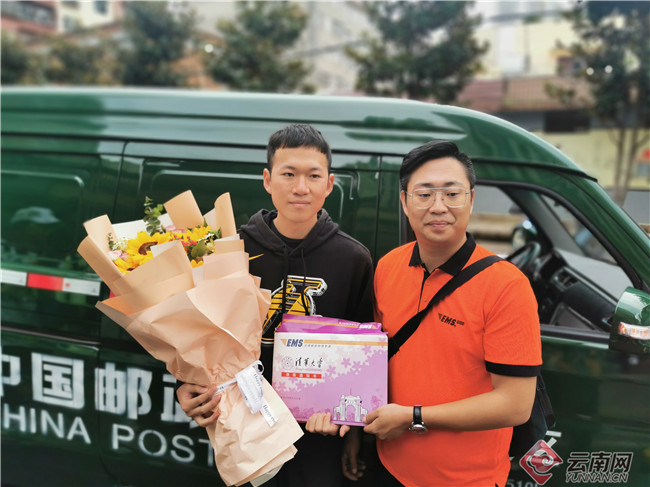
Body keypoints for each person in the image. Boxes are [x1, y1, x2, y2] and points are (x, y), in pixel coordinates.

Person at [176, 123, 373, 486]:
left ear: (329, 184)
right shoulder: (230, 250)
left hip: (319, 435)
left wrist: (353, 430)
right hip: (243, 428)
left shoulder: (353, 259)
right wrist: (186, 384)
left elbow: (364, 357)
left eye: (314, 175)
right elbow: (197, 334)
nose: (301, 187)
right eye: (288, 174)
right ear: (267, 180)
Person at [363, 140, 542, 487]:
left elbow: (515, 404)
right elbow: (373, 358)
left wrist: (413, 416)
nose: (438, 206)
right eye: (424, 194)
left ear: (471, 199)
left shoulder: (506, 285)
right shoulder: (388, 267)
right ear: (404, 202)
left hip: (467, 478)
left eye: (451, 193)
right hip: (389, 467)